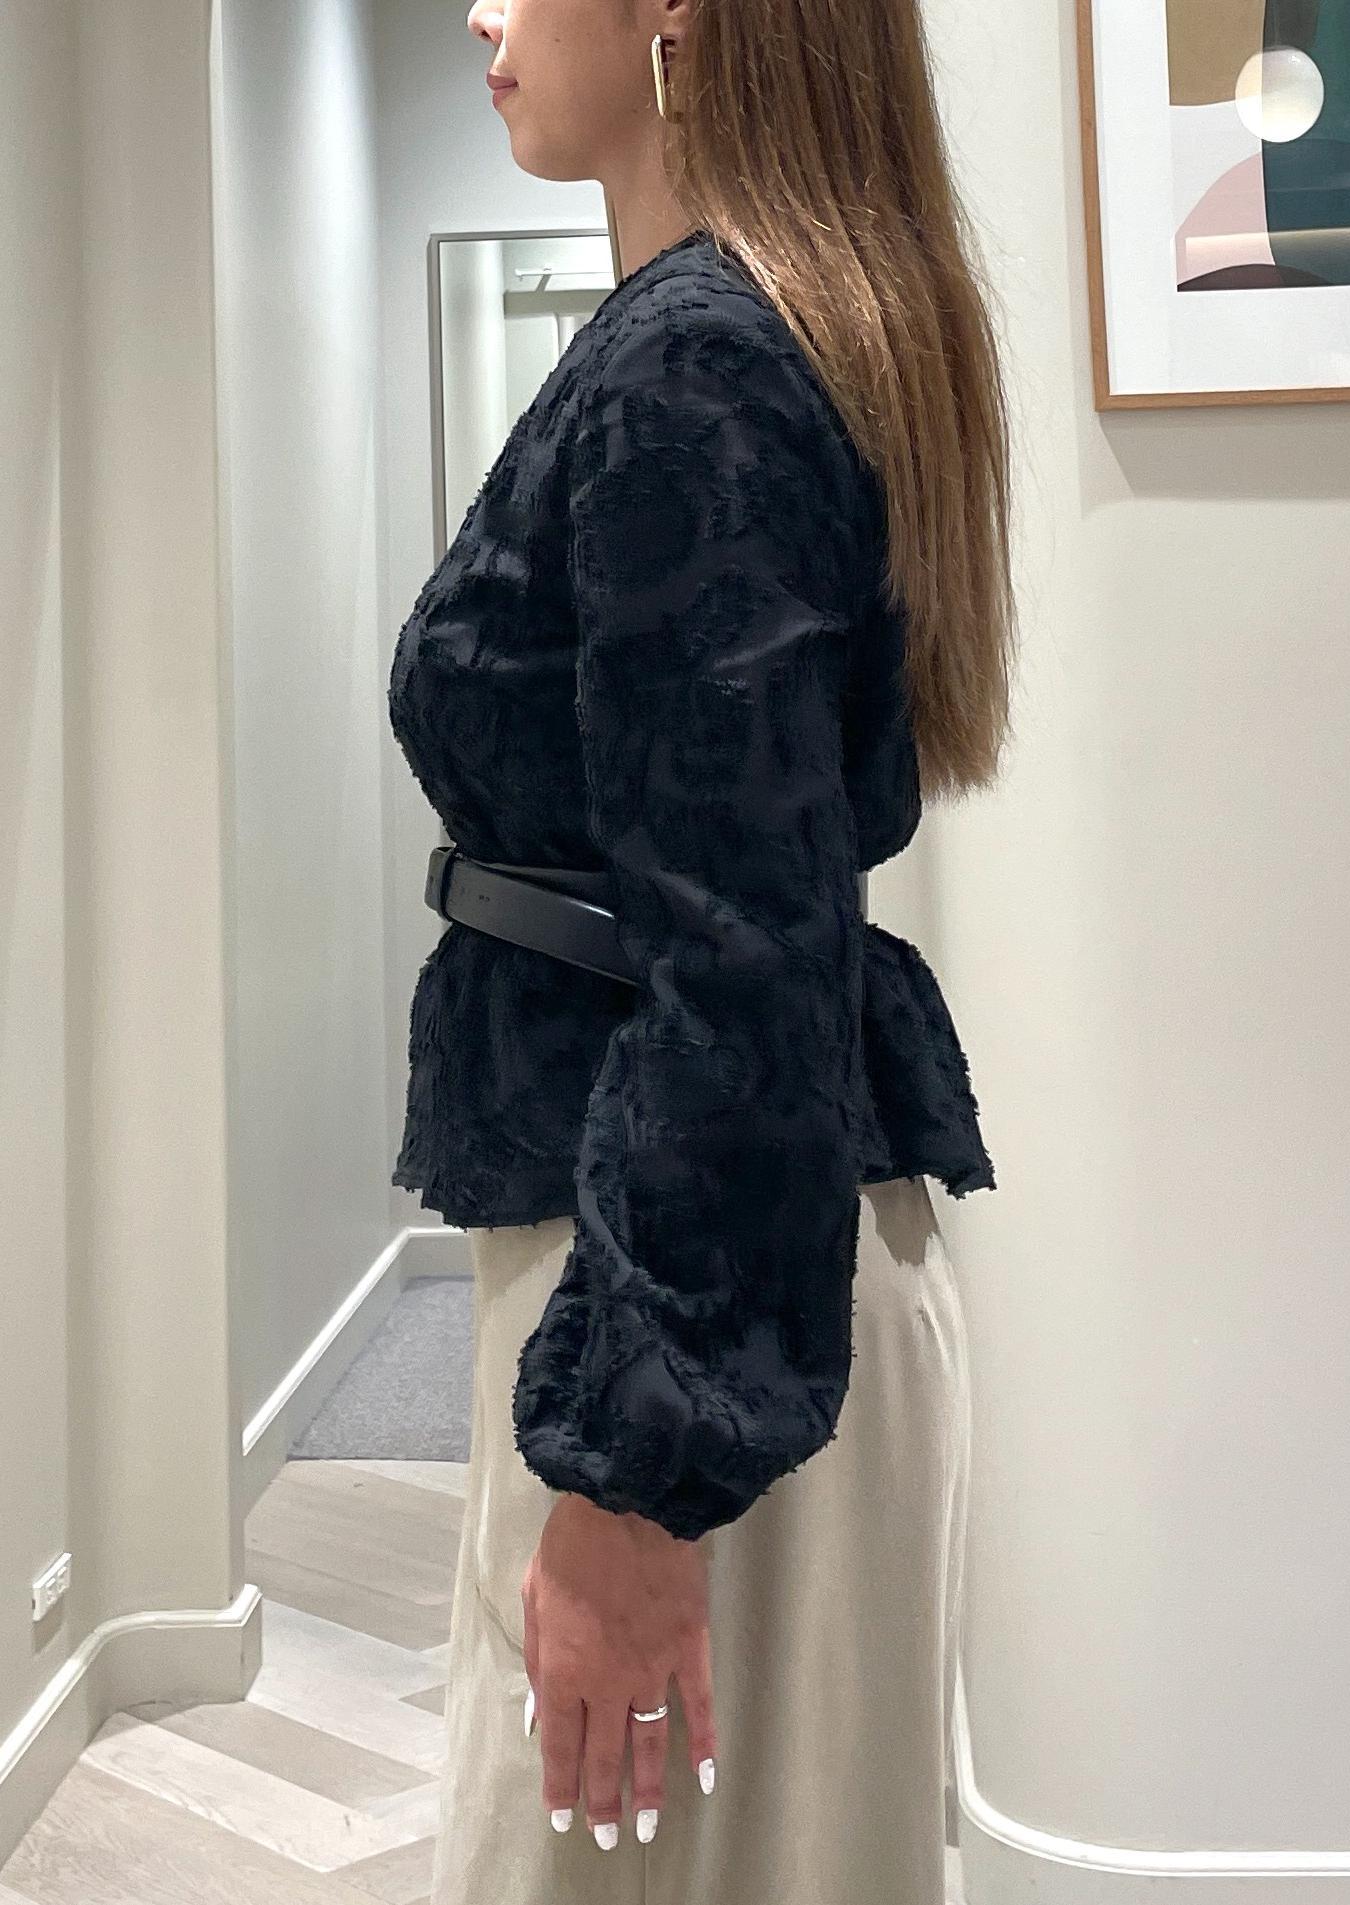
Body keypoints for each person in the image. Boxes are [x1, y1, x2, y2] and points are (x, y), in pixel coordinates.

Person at [387, 0, 1016, 1892]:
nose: (481, 11)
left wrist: (641, 1474)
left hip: (678, 1297)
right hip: (693, 1265)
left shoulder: (701, 365)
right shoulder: (733, 332)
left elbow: (739, 949)